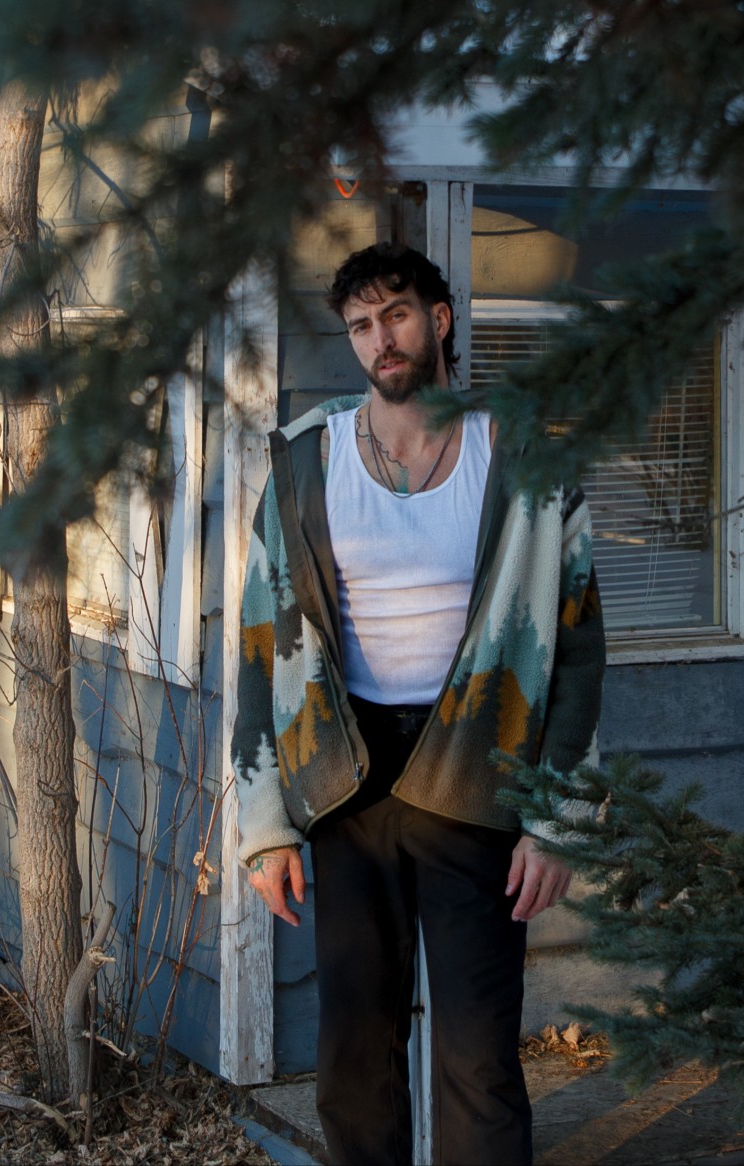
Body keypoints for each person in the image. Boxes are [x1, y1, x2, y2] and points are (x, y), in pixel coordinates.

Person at [232, 241, 605, 1166]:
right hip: (346, 776)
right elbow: (260, 646)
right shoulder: (307, 461)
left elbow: (577, 648)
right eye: (360, 325)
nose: (379, 339)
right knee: (352, 1057)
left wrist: (557, 820)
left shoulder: (523, 455)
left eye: (395, 314)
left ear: (438, 320)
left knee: (479, 1059)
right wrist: (264, 824)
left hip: (479, 769)